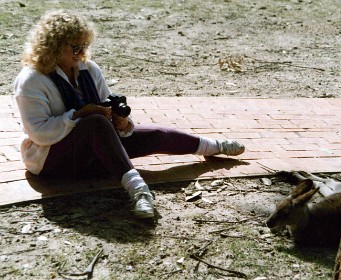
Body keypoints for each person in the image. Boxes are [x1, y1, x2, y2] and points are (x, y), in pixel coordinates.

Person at [14, 10, 245, 219]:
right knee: (94, 123)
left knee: (155, 134)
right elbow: (39, 132)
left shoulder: (88, 69)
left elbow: (106, 113)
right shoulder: (32, 80)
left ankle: (215, 146)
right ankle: (140, 192)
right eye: (76, 48)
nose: (82, 53)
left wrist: (121, 121)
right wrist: (78, 115)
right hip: (53, 162)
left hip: (95, 152)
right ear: (54, 46)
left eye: (85, 46)